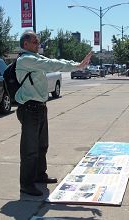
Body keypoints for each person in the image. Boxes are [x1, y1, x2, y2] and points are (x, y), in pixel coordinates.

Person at [16, 30, 92, 196]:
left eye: (38, 42)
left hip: (40, 107)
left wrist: (76, 63)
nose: (38, 44)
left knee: (42, 145)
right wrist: (77, 66)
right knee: (29, 149)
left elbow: (55, 61)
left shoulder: (36, 58)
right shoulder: (26, 59)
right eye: (35, 42)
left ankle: (39, 175)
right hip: (29, 109)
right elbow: (51, 64)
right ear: (26, 44)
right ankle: (26, 184)